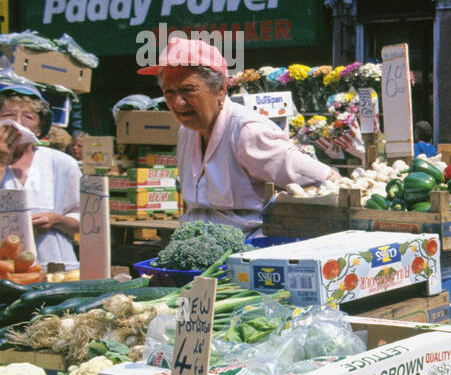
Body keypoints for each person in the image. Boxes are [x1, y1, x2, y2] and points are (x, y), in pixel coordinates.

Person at [140, 38, 339, 238]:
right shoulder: (186, 131)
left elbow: (326, 179)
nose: (177, 102)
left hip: (249, 251)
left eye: (188, 90)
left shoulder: (246, 132)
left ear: (220, 90)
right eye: (168, 92)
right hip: (200, 246)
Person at [0, 85, 81, 267]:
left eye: (28, 117)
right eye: (8, 116)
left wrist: (56, 220)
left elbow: (85, 220)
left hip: (55, 269)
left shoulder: (63, 164)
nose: (18, 123)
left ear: (39, 127)